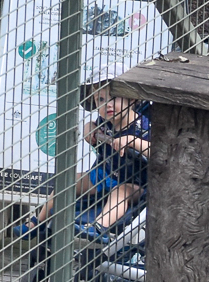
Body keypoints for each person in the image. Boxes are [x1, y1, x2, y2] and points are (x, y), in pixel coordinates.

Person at [32, 90, 151, 233]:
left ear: (131, 99)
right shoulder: (104, 122)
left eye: (113, 98)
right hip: (104, 175)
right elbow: (92, 124)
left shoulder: (143, 127)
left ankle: (99, 227)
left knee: (120, 192)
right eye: (100, 99)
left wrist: (133, 141)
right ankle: (37, 223)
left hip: (136, 184)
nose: (107, 104)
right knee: (65, 180)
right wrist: (89, 127)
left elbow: (158, 153)